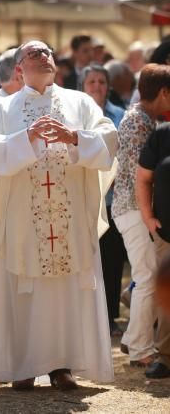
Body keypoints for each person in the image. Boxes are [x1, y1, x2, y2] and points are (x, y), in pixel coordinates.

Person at [0, 40, 117, 390]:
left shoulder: (79, 102)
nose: (44, 56)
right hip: (25, 214)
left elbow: (109, 140)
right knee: (26, 290)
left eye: (48, 52)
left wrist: (73, 137)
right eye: (35, 53)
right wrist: (26, 138)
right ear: (19, 68)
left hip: (68, 214)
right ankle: (23, 366)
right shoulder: (4, 108)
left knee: (63, 292)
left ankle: (61, 365)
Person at [113, 64, 170, 377]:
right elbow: (142, 175)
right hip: (133, 208)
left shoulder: (145, 118)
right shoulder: (138, 121)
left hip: (136, 209)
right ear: (163, 93)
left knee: (146, 275)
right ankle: (140, 348)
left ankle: (137, 342)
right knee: (147, 276)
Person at [81, 64, 129, 341]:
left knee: (111, 264)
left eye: (101, 81)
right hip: (83, 200)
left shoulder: (119, 116)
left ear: (108, 85)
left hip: (110, 200)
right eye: (91, 81)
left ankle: (110, 317)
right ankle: (86, 317)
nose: (96, 86)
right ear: (84, 85)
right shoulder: (75, 113)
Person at [139, 115, 170, 373]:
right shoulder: (161, 135)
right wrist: (148, 218)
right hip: (167, 234)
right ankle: (165, 357)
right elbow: (143, 178)